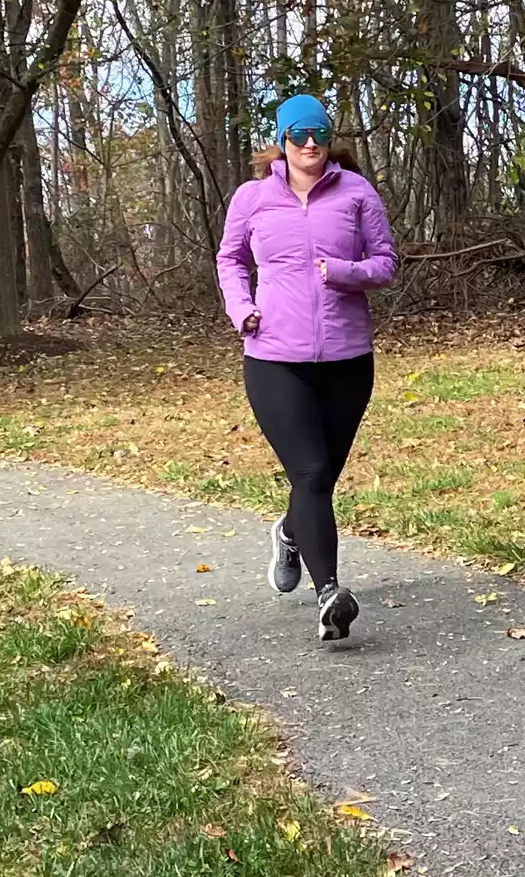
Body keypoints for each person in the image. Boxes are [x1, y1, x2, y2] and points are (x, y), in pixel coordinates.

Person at [216, 94, 396, 641]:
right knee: (312, 474)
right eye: (298, 135)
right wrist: (241, 309)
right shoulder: (253, 198)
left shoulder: (357, 193)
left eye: (318, 132)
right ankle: (331, 593)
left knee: (320, 478)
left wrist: (342, 271)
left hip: (347, 358)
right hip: (274, 357)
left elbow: (385, 264)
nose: (310, 143)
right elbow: (229, 259)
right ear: (283, 140)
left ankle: (292, 532)